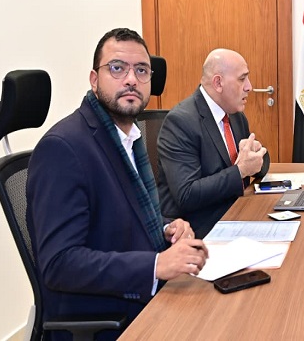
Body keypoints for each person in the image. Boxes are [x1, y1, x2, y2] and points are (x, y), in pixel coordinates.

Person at [27, 28, 208, 341]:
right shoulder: (63, 148)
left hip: (142, 297)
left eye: (141, 70)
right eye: (117, 68)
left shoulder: (127, 137)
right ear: (94, 80)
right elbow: (60, 263)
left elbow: (121, 216)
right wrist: (155, 265)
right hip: (108, 316)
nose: (131, 80)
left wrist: (166, 227)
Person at [157, 48, 270, 239]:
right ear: (218, 83)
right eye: (242, 79)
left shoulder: (235, 115)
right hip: (197, 230)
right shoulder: (180, 122)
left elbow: (259, 166)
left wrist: (256, 155)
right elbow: (187, 195)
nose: (249, 87)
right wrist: (241, 170)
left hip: (235, 214)